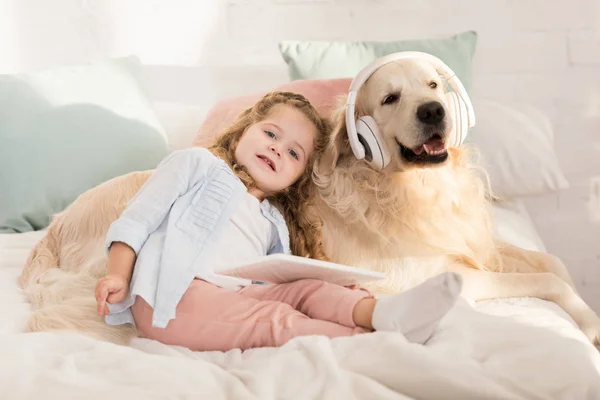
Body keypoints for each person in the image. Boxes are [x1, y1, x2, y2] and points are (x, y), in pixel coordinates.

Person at [94, 91, 463, 352]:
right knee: (272, 318)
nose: (276, 148)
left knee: (307, 290)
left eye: (292, 153)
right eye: (270, 133)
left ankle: (381, 313)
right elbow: (137, 220)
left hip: (235, 296)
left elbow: (272, 280)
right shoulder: (198, 164)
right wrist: (117, 273)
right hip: (174, 298)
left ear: (295, 178)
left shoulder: (273, 221)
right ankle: (367, 342)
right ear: (242, 132)